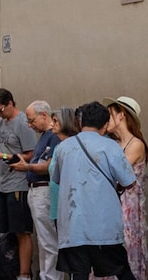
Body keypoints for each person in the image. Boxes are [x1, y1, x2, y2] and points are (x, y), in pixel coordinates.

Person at [52, 102, 139, 280]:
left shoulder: (62, 148)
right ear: (105, 125)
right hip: (103, 226)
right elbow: (129, 181)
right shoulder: (110, 147)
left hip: (72, 226)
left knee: (79, 274)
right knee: (122, 270)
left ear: (80, 122)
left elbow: (57, 178)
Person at [0, 89, 38, 280]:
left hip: (19, 185)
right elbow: (3, 149)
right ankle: (12, 270)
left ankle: (24, 274)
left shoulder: (23, 123)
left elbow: (31, 154)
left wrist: (3, 156)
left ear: (11, 103)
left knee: (22, 231)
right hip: (4, 183)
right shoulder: (2, 122)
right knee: (10, 230)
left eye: (1, 110)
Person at [101, 96, 148, 279]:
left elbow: (118, 173)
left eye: (110, 115)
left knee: (126, 251)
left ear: (121, 115)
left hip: (127, 207)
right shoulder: (112, 143)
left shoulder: (136, 144)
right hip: (112, 205)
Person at [12, 101, 62, 280]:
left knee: (48, 241)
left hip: (44, 190)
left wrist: (27, 167)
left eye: (32, 120)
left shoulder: (54, 136)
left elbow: (49, 166)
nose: (29, 124)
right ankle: (46, 275)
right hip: (36, 190)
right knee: (43, 240)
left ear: (43, 115)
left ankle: (50, 277)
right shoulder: (44, 136)